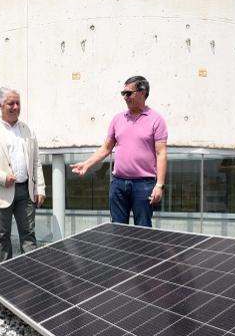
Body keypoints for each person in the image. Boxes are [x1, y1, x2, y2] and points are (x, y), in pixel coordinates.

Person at [70, 75, 167, 227]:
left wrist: (159, 185)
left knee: (143, 232)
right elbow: (106, 148)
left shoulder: (156, 120)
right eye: (123, 93)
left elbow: (161, 153)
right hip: (118, 184)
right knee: (118, 231)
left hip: (144, 185)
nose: (125, 97)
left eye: (129, 93)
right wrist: (87, 164)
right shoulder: (118, 119)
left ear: (143, 92)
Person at [0, 87, 46, 262]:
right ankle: (6, 278)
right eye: (10, 103)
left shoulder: (28, 130)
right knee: (2, 236)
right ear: (0, 105)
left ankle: (32, 275)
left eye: (17, 103)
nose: (15, 107)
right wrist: (1, 177)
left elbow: (36, 161)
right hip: (0, 192)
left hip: (26, 191)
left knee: (28, 235)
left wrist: (40, 188)